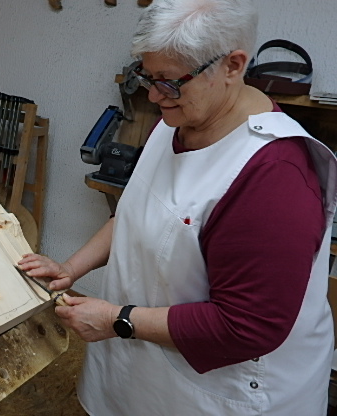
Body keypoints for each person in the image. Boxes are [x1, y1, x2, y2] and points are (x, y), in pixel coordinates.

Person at [18, 0, 337, 414]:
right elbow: (136, 212)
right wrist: (70, 268)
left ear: (233, 66)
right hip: (140, 367)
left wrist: (118, 319)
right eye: (147, 77)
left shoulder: (274, 174)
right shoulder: (179, 118)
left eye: (169, 82)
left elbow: (246, 327)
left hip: (223, 392)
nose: (154, 95)